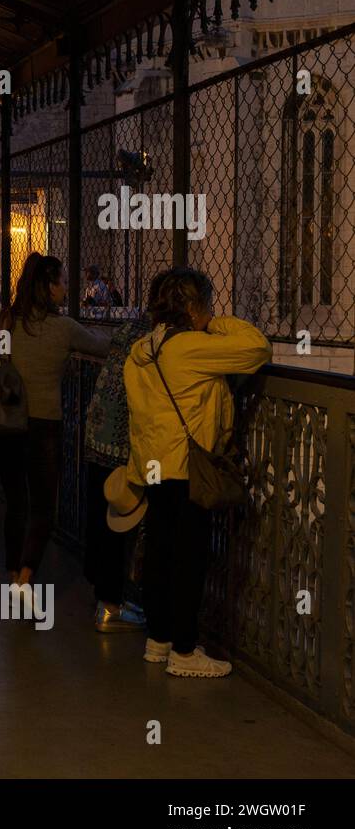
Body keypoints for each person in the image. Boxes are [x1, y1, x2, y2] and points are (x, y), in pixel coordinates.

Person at [124, 267, 269, 678]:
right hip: (188, 468)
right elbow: (256, 348)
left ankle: (159, 639)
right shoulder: (190, 347)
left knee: (159, 552)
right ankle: (185, 652)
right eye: (206, 303)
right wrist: (217, 322)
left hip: (153, 464)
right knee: (190, 558)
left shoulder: (142, 351)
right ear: (192, 307)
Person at [0, 253, 110, 588]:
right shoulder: (63, 328)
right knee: (42, 506)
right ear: (50, 287)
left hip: (5, 423)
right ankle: (25, 577)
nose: (67, 288)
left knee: (16, 503)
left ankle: (11, 572)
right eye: (63, 282)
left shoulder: (4, 320)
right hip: (42, 425)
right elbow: (101, 347)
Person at [82, 271, 170, 632]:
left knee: (103, 519)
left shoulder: (134, 327)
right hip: (125, 443)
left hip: (98, 433)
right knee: (124, 525)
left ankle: (105, 599)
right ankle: (114, 606)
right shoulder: (162, 339)